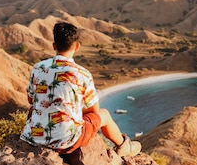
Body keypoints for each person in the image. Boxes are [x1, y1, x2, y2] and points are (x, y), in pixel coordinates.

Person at [20, 21, 141, 157]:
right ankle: (125, 147)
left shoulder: (37, 68)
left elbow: (31, 99)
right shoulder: (82, 74)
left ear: (54, 46)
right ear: (77, 46)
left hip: (34, 138)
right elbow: (94, 111)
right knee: (104, 114)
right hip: (66, 141)